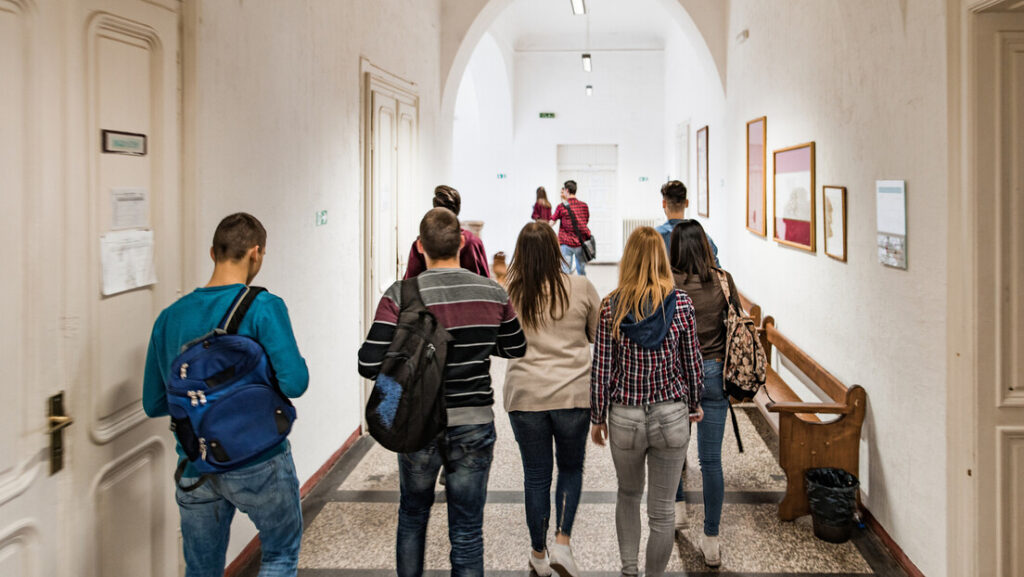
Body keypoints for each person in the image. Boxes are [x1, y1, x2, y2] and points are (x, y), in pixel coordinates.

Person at [358, 207, 527, 577]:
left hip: (416, 424)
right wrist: (478, 343)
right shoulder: (491, 291)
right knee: (467, 530)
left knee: (413, 516)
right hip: (474, 424)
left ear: (420, 247)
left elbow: (368, 363)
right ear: (462, 243)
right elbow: (516, 346)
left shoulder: (400, 295)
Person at [143, 213, 309, 577]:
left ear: (212, 253)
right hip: (259, 460)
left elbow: (153, 403)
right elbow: (295, 383)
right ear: (256, 253)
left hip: (195, 464)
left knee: (202, 570)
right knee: (280, 555)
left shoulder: (169, 317)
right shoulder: (264, 306)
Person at [590, 226, 704, 577]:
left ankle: (629, 571)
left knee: (627, 495)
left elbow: (602, 369)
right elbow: (692, 362)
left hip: (625, 417)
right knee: (662, 511)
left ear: (629, 260)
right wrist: (695, 402)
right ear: (661, 259)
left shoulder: (611, 306)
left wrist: (598, 417)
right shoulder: (681, 304)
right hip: (671, 415)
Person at [503, 222, 601, 577]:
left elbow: (501, 344)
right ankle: (562, 542)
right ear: (555, 251)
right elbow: (597, 334)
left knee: (536, 476)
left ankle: (538, 554)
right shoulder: (580, 286)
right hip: (572, 395)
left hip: (525, 397)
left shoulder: (508, 293)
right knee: (571, 469)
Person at [669, 219, 738, 568]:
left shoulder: (668, 284)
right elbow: (736, 322)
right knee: (711, 461)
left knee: (673, 452)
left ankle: (679, 508)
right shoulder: (723, 280)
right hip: (714, 374)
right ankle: (711, 540)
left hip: (677, 375)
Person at [404, 185, 490, 279]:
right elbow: (485, 280)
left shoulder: (422, 242)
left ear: (435, 208)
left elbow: (410, 281)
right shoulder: (473, 242)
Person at [655, 180, 720, 267]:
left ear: (664, 203)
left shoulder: (655, 237)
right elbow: (716, 268)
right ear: (687, 203)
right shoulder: (703, 237)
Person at [551, 180, 591, 276]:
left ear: (567, 190)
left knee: (566, 272)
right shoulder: (584, 206)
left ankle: (567, 286)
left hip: (566, 243)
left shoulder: (561, 207)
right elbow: (585, 221)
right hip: (580, 243)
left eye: (564, 190)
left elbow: (552, 221)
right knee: (581, 271)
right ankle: (582, 285)